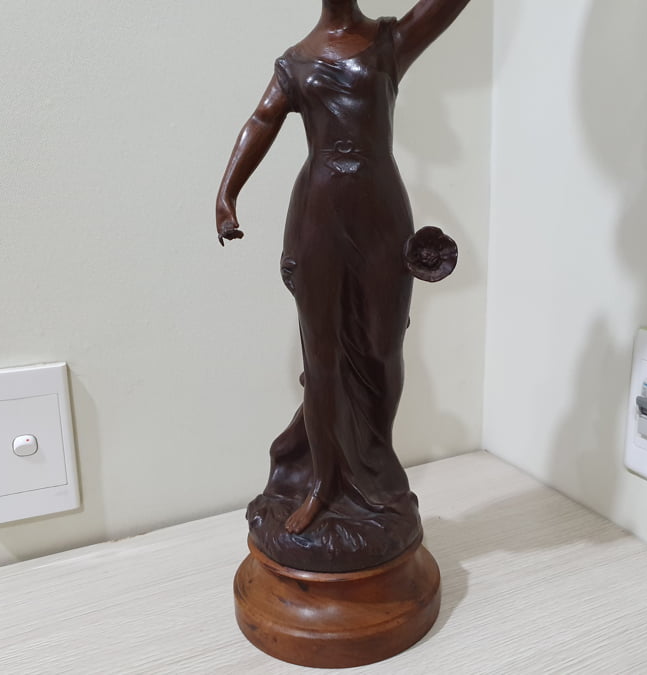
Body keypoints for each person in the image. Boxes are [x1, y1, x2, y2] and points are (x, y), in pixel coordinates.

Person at [216, 0, 471, 571]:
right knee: (323, 356)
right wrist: (227, 194)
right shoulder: (294, 63)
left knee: (382, 345)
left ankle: (373, 471)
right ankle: (322, 484)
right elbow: (262, 120)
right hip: (318, 213)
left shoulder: (389, 41)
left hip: (381, 212)